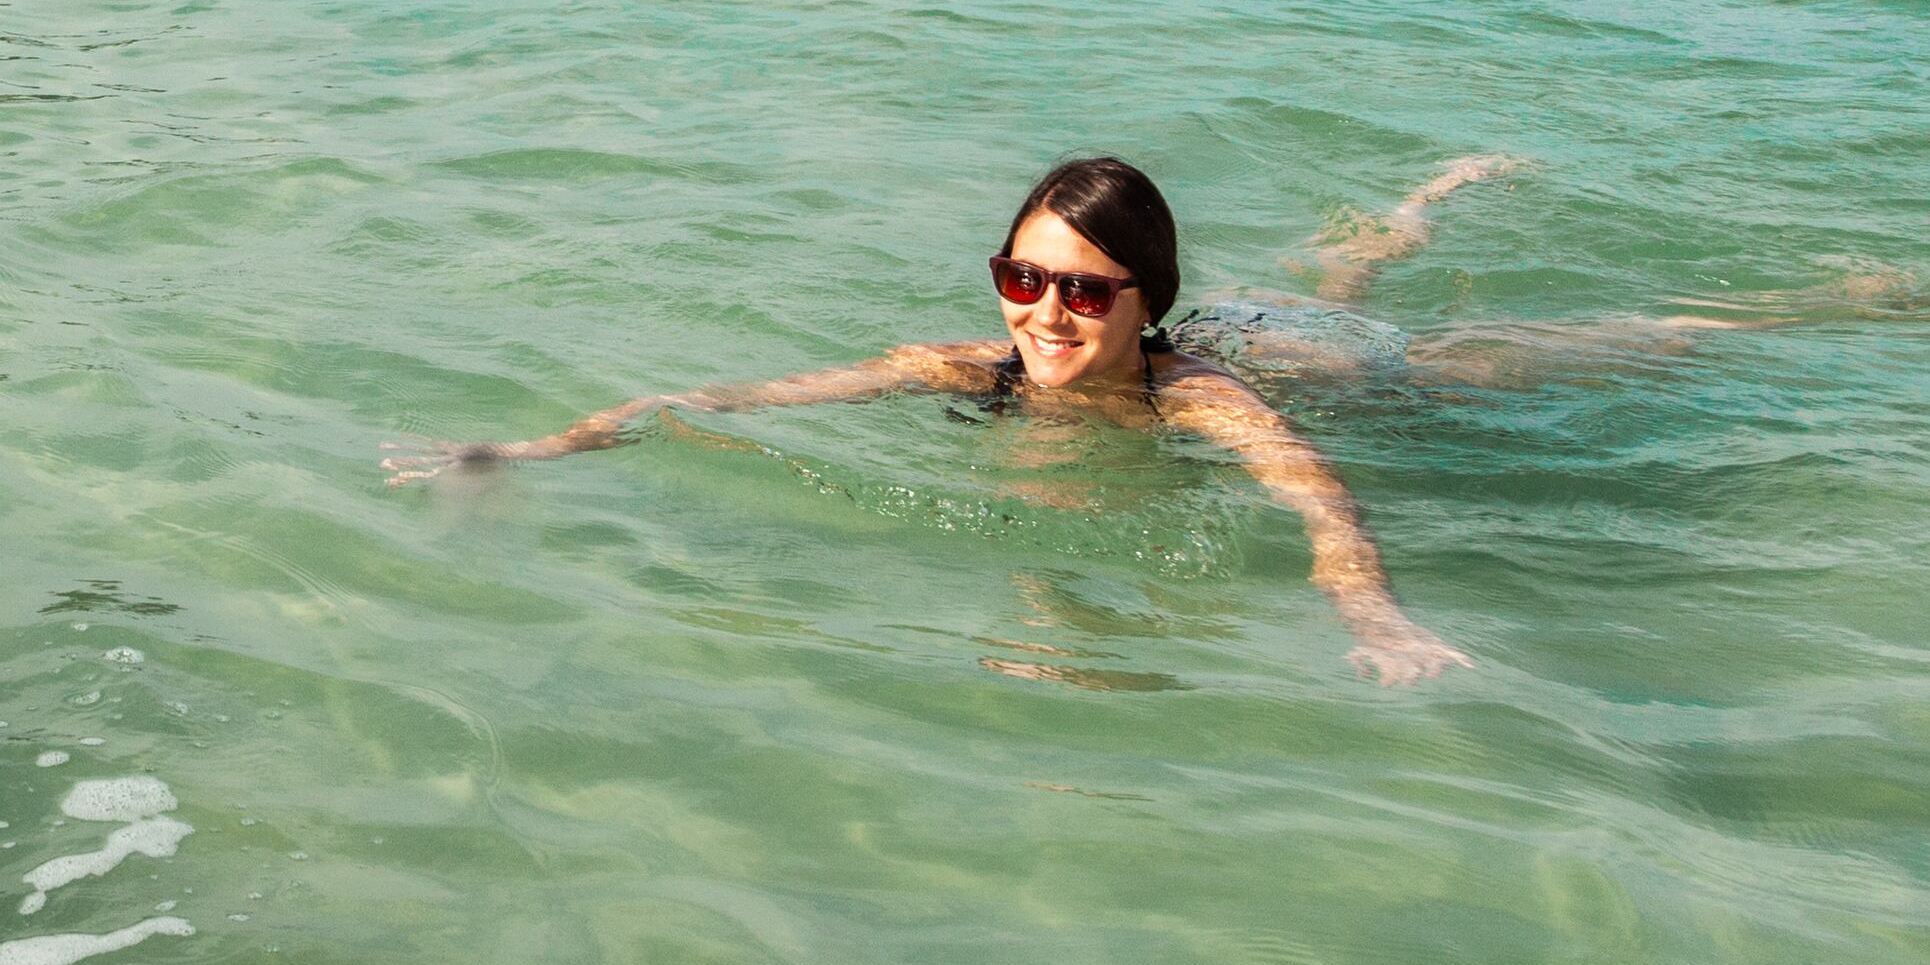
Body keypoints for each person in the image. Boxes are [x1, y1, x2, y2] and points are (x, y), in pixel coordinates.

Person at [388, 153, 1723, 688]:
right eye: (1023, 277)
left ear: (1144, 302)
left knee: (1459, 351)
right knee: (1342, 276)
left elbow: (1317, 493)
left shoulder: (1198, 394)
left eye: (1084, 290)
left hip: (1333, 372)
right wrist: (527, 448)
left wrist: (1370, 613)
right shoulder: (972, 368)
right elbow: (727, 398)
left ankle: (1749, 311)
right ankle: (1407, 214)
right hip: (1249, 319)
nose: (1046, 314)